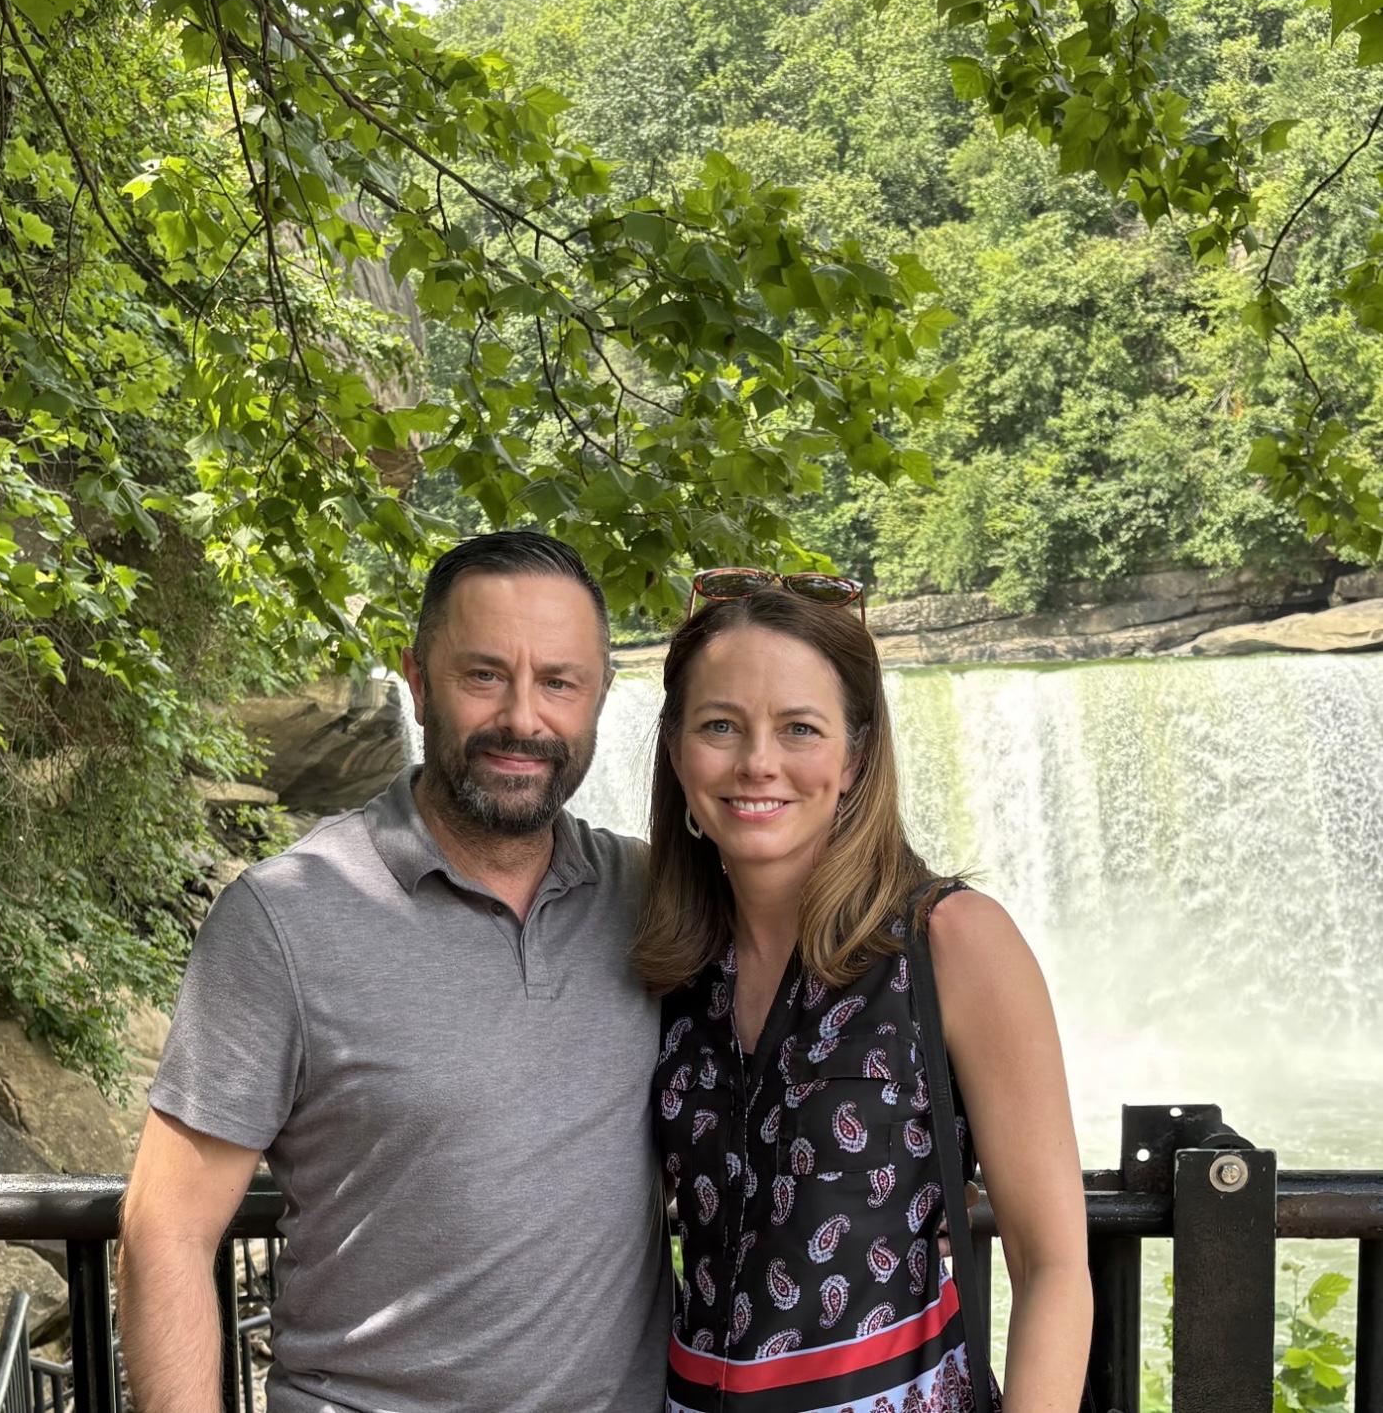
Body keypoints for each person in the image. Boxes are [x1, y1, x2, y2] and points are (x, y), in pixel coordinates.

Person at [117, 531, 670, 1413]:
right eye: (483, 675)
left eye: (560, 683)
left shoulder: (648, 900)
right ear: (417, 680)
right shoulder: (284, 916)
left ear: (601, 693)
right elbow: (166, 1230)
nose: (524, 719)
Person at [635, 579, 1091, 1413]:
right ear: (676, 751)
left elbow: (1052, 1265)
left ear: (853, 758)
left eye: (799, 728)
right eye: (719, 726)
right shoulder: (669, 962)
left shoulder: (951, 942)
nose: (757, 762)